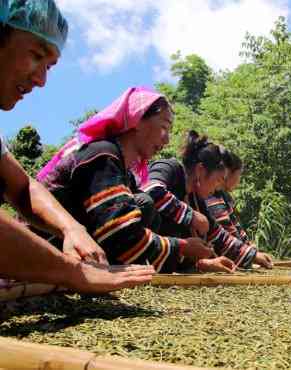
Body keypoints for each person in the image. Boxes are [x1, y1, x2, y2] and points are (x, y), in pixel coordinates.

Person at [0, 0, 154, 292]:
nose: (41, 80)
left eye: (49, 67)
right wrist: (72, 272)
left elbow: (22, 186)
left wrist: (72, 228)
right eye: (36, 55)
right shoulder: (101, 153)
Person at [36, 87, 213, 272]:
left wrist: (197, 260)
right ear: (137, 119)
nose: (167, 140)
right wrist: (182, 247)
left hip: (69, 253)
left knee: (143, 205)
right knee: (143, 202)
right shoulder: (103, 155)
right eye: (163, 127)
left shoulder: (124, 172)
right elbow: (121, 235)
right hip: (43, 248)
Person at [143, 131, 267, 272]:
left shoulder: (195, 199)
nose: (217, 188)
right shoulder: (168, 168)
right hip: (141, 256)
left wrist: (252, 255)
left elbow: (218, 235)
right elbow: (151, 190)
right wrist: (191, 216)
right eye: (219, 179)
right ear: (201, 170)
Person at [205, 148, 273, 268]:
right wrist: (249, 255)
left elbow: (235, 228)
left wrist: (250, 248)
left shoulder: (223, 196)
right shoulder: (211, 196)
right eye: (239, 175)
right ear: (227, 173)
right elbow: (225, 231)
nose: (239, 180)